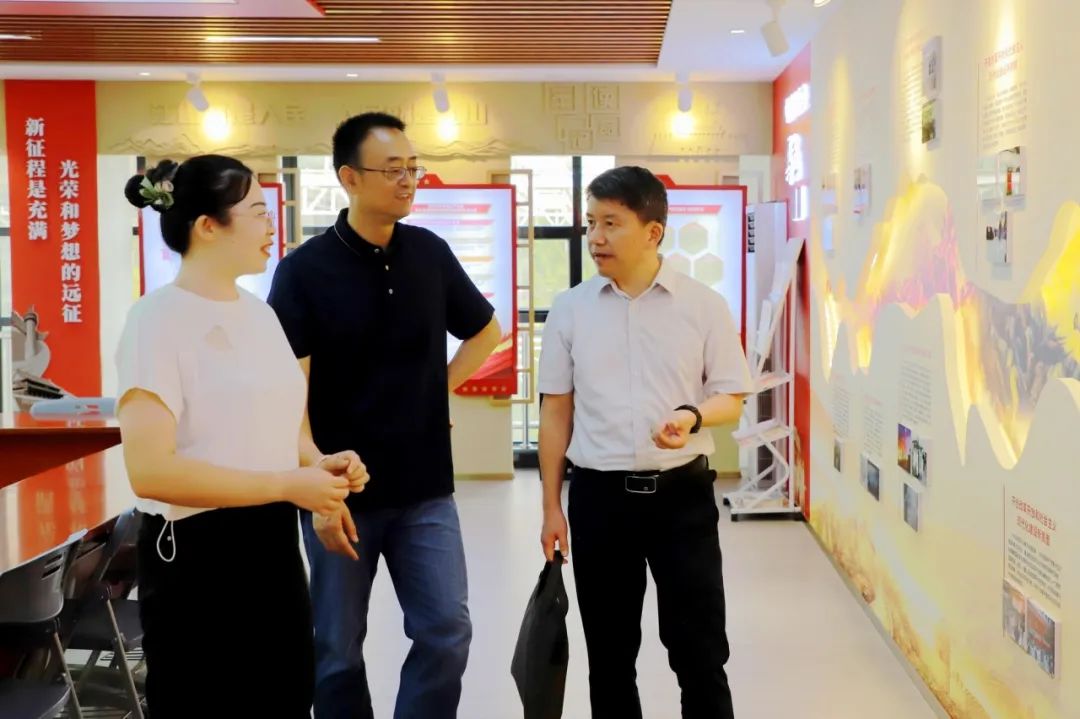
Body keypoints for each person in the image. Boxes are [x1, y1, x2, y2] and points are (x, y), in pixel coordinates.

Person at [267, 112, 502, 719]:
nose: (407, 181)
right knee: (336, 649)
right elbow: (288, 393)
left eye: (413, 168)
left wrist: (435, 390)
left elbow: (486, 330)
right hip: (340, 492)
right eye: (392, 169)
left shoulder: (429, 252)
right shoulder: (303, 271)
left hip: (426, 487)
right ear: (349, 177)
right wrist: (314, 477)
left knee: (447, 630)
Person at [116, 155, 368, 718]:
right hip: (195, 560)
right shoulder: (155, 321)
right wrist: (287, 483)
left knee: (285, 695)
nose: (270, 224)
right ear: (208, 226)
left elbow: (281, 423)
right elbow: (150, 471)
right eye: (257, 211)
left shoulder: (259, 315)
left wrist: (319, 464)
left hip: (271, 547)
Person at [537, 166, 752, 719]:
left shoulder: (702, 305)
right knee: (609, 658)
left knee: (700, 652)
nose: (596, 237)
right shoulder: (570, 308)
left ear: (653, 231)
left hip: (682, 499)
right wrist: (551, 507)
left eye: (611, 223)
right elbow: (556, 412)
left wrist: (692, 416)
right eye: (590, 223)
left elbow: (731, 396)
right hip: (599, 501)